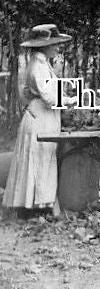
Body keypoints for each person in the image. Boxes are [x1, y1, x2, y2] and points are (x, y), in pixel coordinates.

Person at [3, 24, 77, 215]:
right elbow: (50, 97)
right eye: (54, 44)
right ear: (44, 46)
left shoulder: (44, 65)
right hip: (39, 117)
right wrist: (73, 100)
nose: (58, 48)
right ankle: (32, 207)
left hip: (45, 116)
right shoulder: (37, 67)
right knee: (37, 159)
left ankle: (42, 204)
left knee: (44, 158)